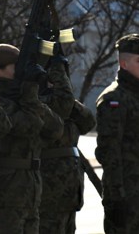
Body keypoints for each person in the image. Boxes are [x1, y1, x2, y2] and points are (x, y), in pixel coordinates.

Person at [0, 43, 64, 234]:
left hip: (30, 190)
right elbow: (28, 125)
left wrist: (31, 96)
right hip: (4, 190)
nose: (21, 73)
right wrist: (29, 93)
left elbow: (56, 130)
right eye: (15, 68)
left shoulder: (25, 99)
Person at [95, 33, 139, 234]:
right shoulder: (114, 99)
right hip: (128, 193)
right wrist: (116, 196)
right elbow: (109, 152)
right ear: (124, 64)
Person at [39, 45, 96, 234]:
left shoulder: (68, 104)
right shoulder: (39, 101)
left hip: (70, 187)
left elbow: (88, 122)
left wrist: (70, 101)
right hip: (49, 186)